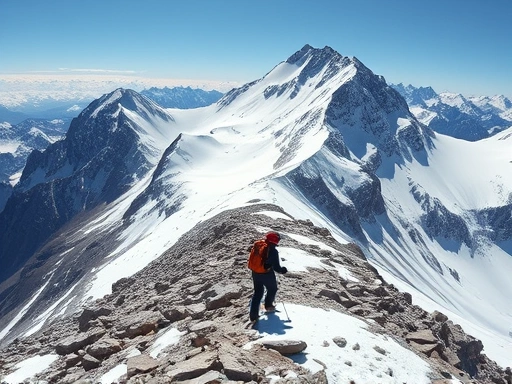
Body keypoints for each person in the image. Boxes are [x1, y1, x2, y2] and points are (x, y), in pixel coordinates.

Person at [249, 231, 288, 322]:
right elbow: (276, 267)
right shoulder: (273, 251)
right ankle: (268, 306)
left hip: (255, 272)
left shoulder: (259, 245)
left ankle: (253, 316)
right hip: (266, 274)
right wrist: (283, 270)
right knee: (272, 289)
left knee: (258, 293)